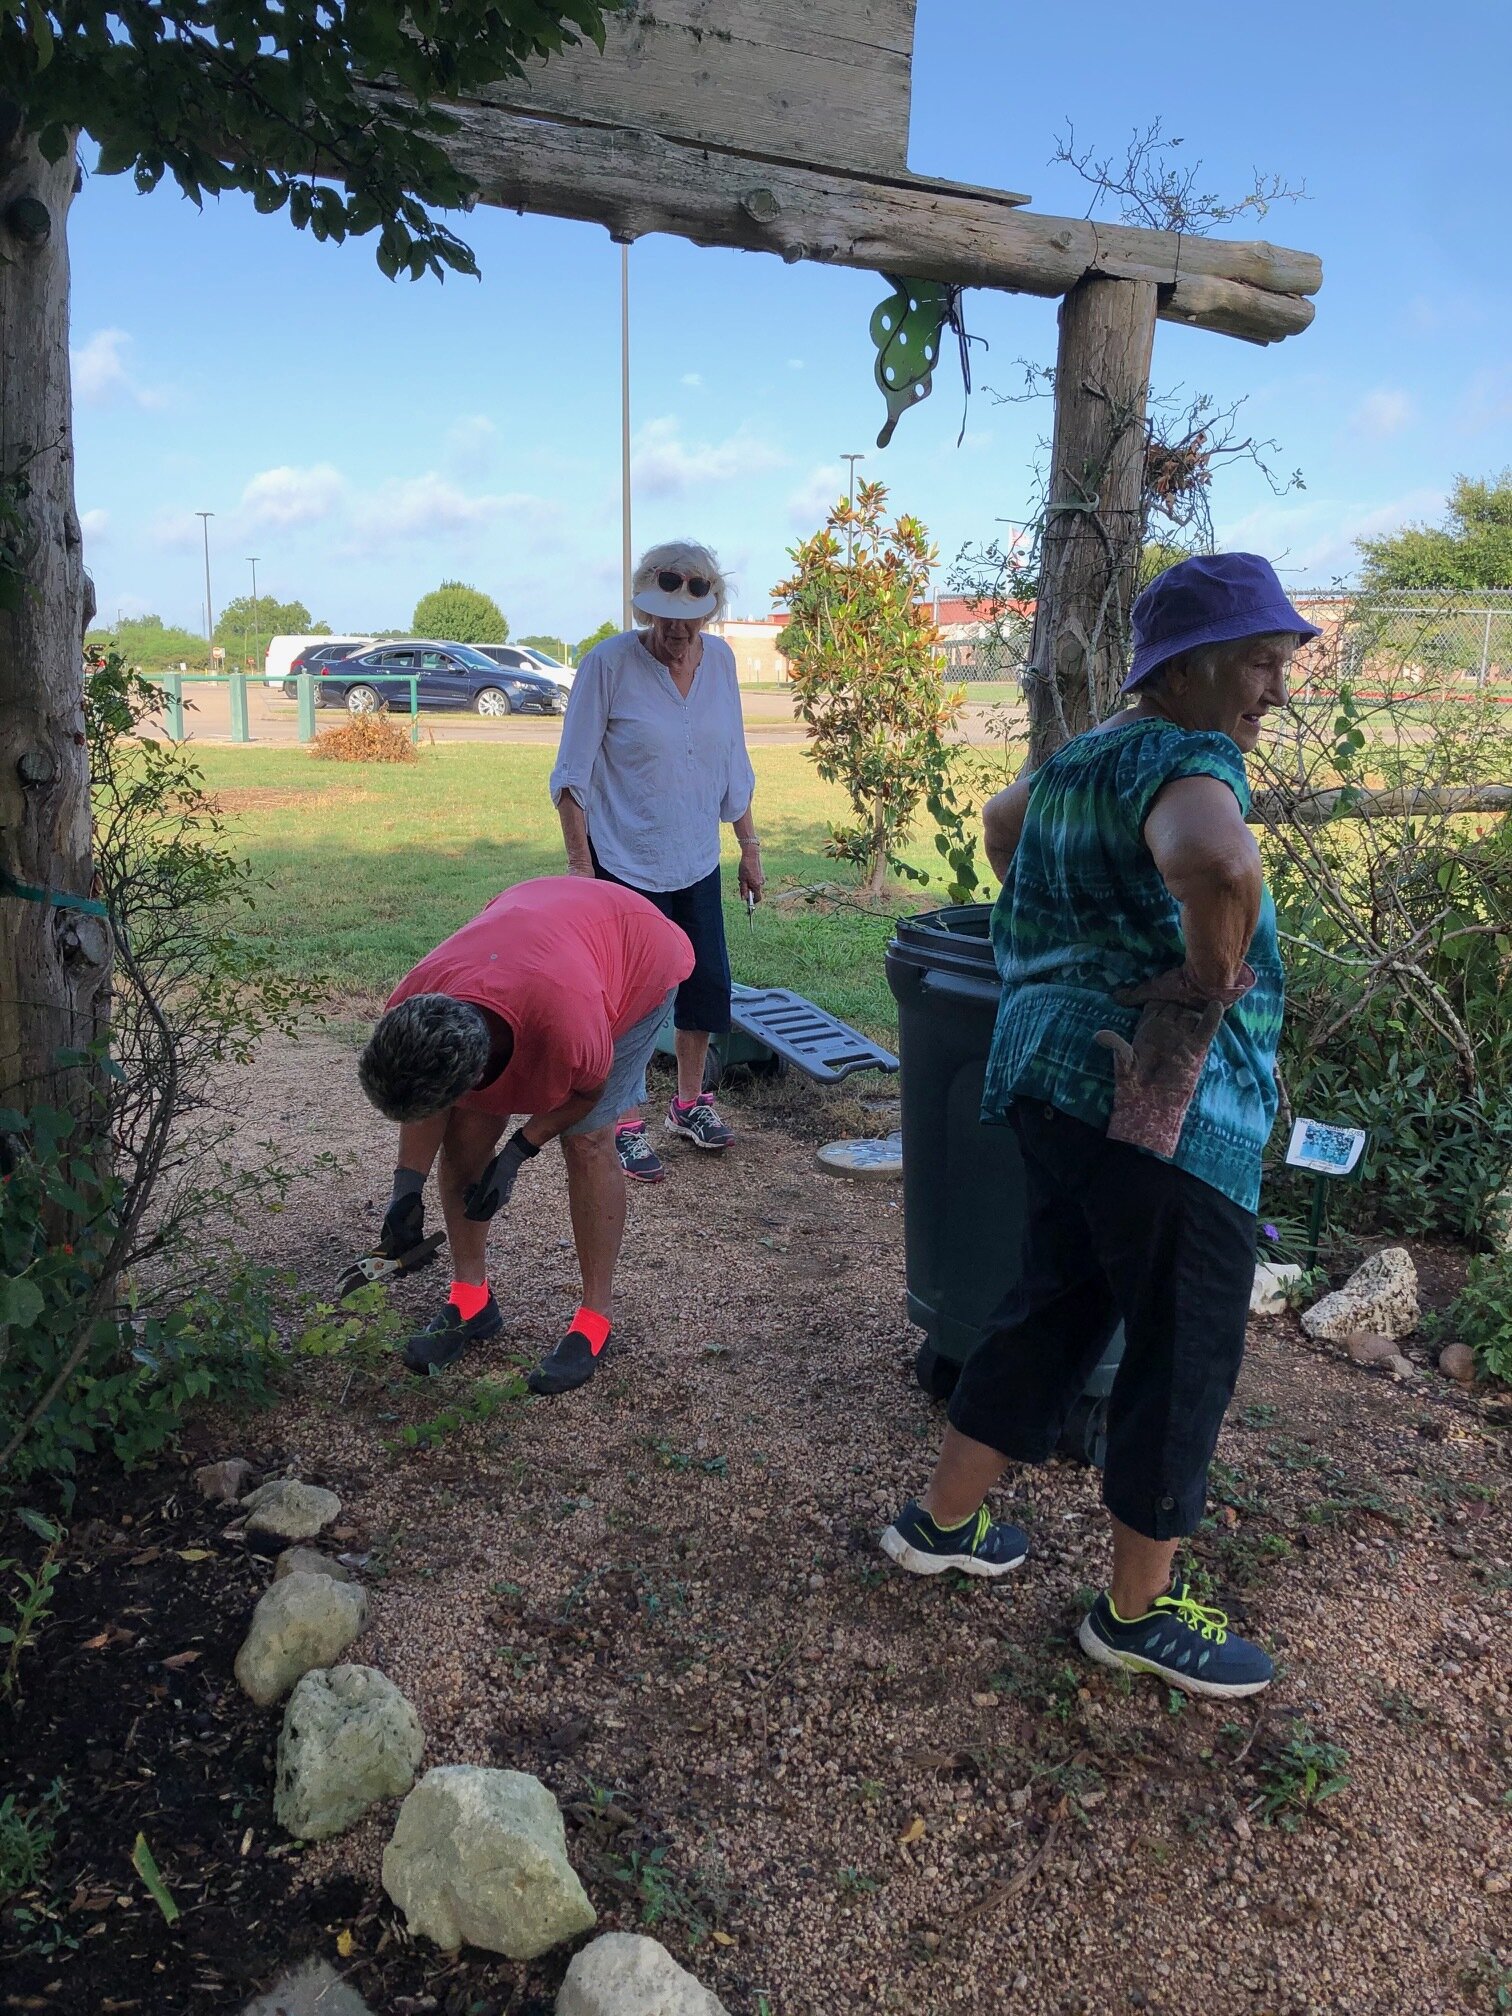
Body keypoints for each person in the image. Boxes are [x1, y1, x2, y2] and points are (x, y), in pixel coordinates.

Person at [881, 553, 1320, 1700]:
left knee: (1057, 1300)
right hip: (1157, 1101)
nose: (1275, 689)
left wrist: (1068, 949)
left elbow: (1001, 821)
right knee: (1184, 1343)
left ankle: (942, 1524)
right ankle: (1134, 1612)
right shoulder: (1188, 756)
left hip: (1046, 1078)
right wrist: (1199, 988)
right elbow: (1214, 861)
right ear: (1188, 667)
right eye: (1261, 664)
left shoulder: (1081, 755)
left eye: (1281, 664)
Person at [355, 875, 693, 1395]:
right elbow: (430, 1105)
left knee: (586, 1140)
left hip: (634, 950)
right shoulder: (414, 1000)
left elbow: (584, 1094)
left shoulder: (567, 1023)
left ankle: (595, 1318)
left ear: (476, 1070)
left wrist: (516, 1153)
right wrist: (405, 1192)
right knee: (467, 1131)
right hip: (534, 928)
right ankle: (471, 1301)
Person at [550, 540, 762, 1184]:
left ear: (708, 614)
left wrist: (748, 846)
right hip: (623, 863)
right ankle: (625, 1118)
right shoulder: (606, 665)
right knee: (637, 1000)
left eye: (689, 621)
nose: (676, 633)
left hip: (696, 856)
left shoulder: (720, 661)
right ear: (645, 610)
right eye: (663, 619)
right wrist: (582, 869)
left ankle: (691, 1103)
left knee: (704, 989)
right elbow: (570, 777)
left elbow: (732, 762)